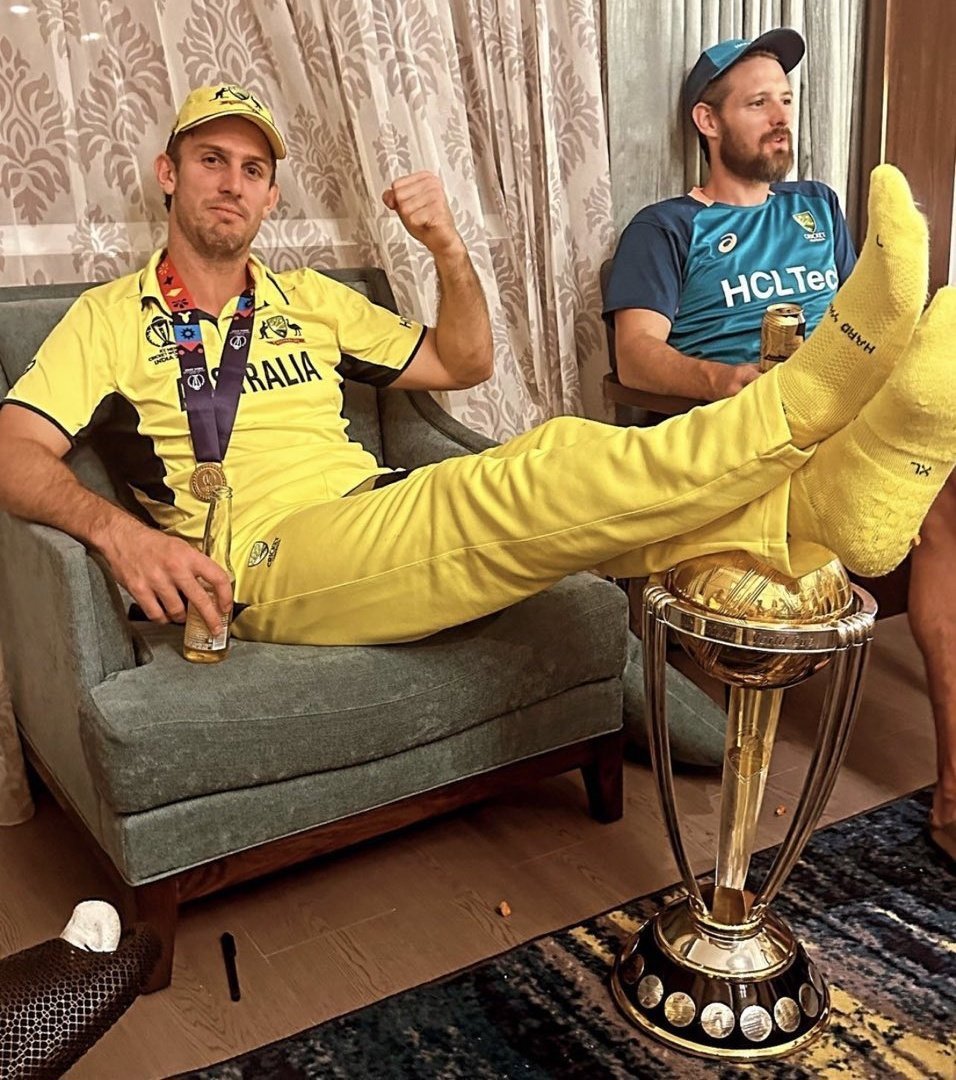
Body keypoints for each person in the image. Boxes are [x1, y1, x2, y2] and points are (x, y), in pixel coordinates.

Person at [0, 85, 952, 666]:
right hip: (261, 563)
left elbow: (463, 361)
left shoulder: (309, 300)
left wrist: (448, 248)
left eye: (253, 169)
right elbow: (14, 451)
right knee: (544, 466)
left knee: (591, 516)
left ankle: (822, 511)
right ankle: (808, 399)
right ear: (170, 174)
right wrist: (123, 540)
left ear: (270, 195)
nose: (232, 183)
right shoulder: (107, 316)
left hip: (371, 507)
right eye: (212, 160)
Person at [604, 29, 856, 400]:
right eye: (758, 103)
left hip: (844, 402)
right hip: (742, 421)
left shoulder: (817, 204)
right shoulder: (665, 228)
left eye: (786, 100)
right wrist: (721, 381)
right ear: (709, 121)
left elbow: (862, 313)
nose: (781, 117)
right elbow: (635, 355)